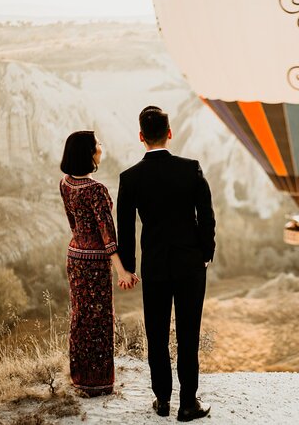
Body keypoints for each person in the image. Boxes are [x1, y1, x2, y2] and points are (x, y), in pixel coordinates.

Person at [117, 106, 215, 421]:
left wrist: (129, 267)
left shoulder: (130, 178)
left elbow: (126, 228)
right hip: (189, 263)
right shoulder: (191, 169)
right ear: (169, 132)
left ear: (141, 137)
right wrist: (205, 252)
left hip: (155, 265)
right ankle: (188, 403)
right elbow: (207, 217)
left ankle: (161, 400)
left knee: (156, 334)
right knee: (189, 333)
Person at [59, 130, 139, 397]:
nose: (101, 147)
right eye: (97, 144)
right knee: (100, 320)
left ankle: (79, 378)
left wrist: (80, 242)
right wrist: (123, 271)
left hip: (74, 255)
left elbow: (73, 223)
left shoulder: (66, 183)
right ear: (89, 153)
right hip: (94, 263)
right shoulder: (96, 191)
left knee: (80, 317)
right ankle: (98, 383)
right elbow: (108, 235)